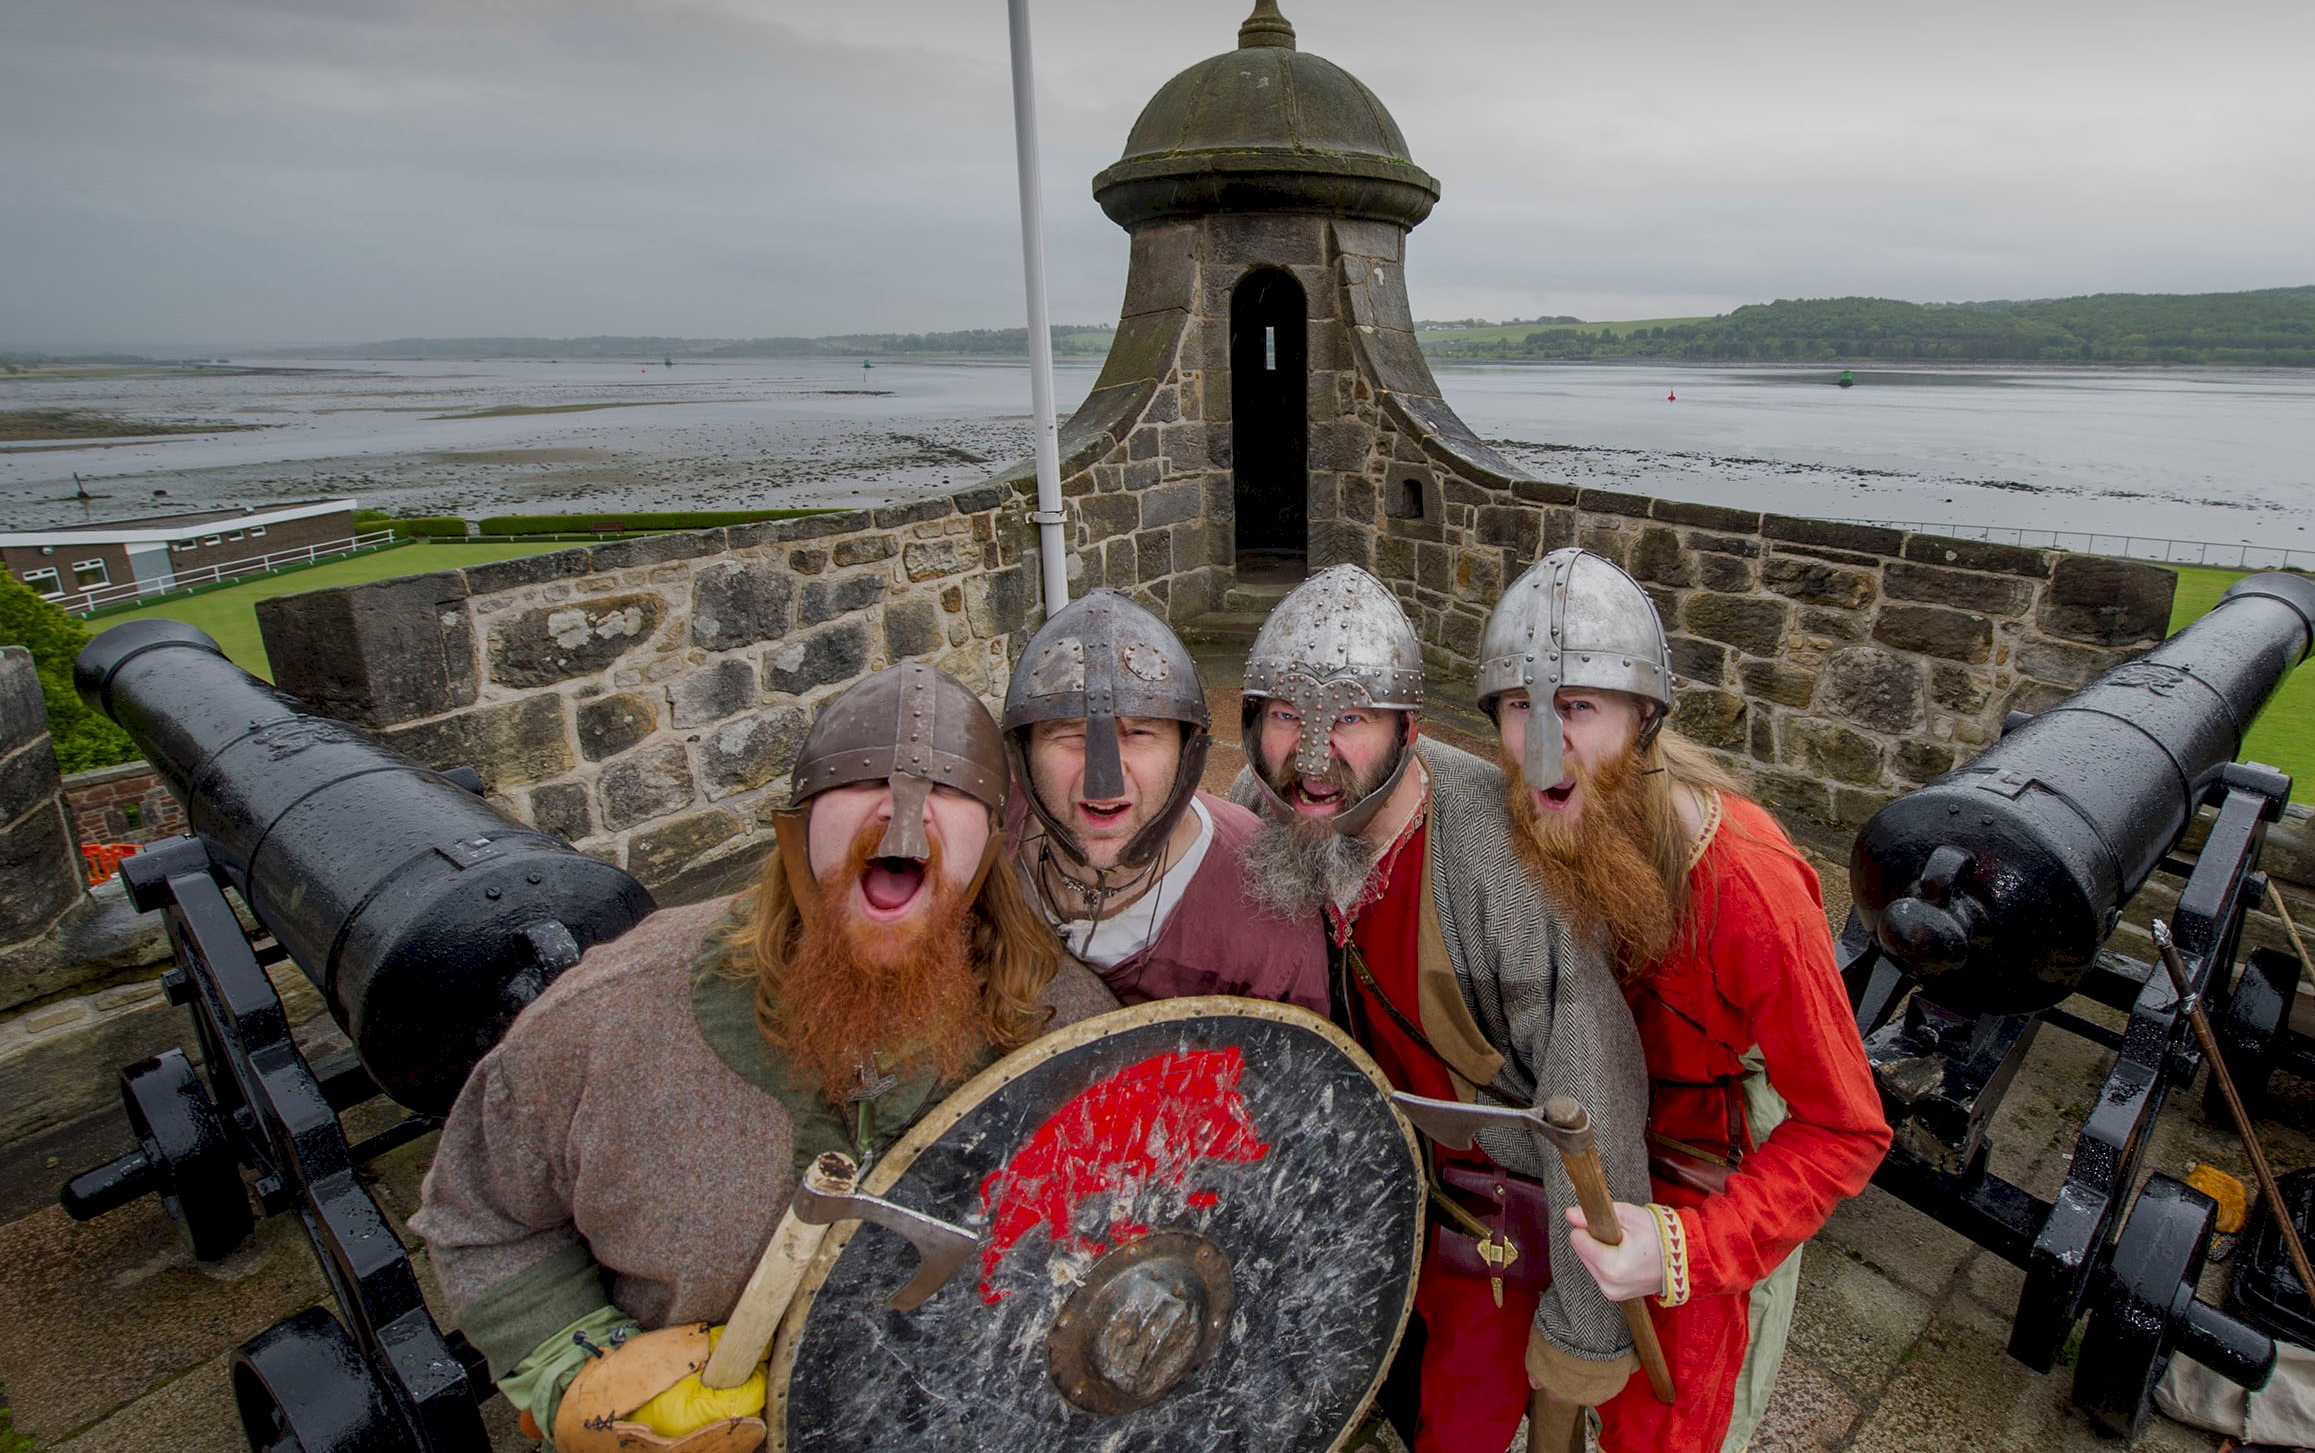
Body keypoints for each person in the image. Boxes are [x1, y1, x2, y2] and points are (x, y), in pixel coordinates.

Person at [411, 662, 1115, 1451]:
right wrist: (578, 1367)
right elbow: (484, 1214)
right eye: (862, 780)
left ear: (990, 842)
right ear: (798, 822)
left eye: (949, 791)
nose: (902, 812)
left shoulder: (1069, 1029)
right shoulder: (606, 1018)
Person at [1227, 563, 1652, 1453]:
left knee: (1460, 1426)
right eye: (1285, 716)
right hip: (1342, 1180)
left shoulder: (1500, 857)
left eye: (1347, 718)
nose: (1311, 755)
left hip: (1483, 1212)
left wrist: (1583, 1332)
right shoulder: (1253, 810)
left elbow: (1591, 1097)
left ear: (1407, 731)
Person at [1477, 548, 1890, 1453]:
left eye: (1578, 706)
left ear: (1646, 716)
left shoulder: (1749, 881)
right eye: (1520, 708)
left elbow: (1846, 1128)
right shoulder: (1518, 821)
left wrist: (1685, 1253)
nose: (1544, 745)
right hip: (1565, 1167)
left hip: (1697, 1185)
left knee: (1664, 1431)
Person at [1000, 588, 1325, 1012]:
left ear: (1185, 752)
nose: (1104, 781)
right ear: (1024, 752)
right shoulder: (984, 843)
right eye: (1068, 734)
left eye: (1139, 733)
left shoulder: (1272, 917)